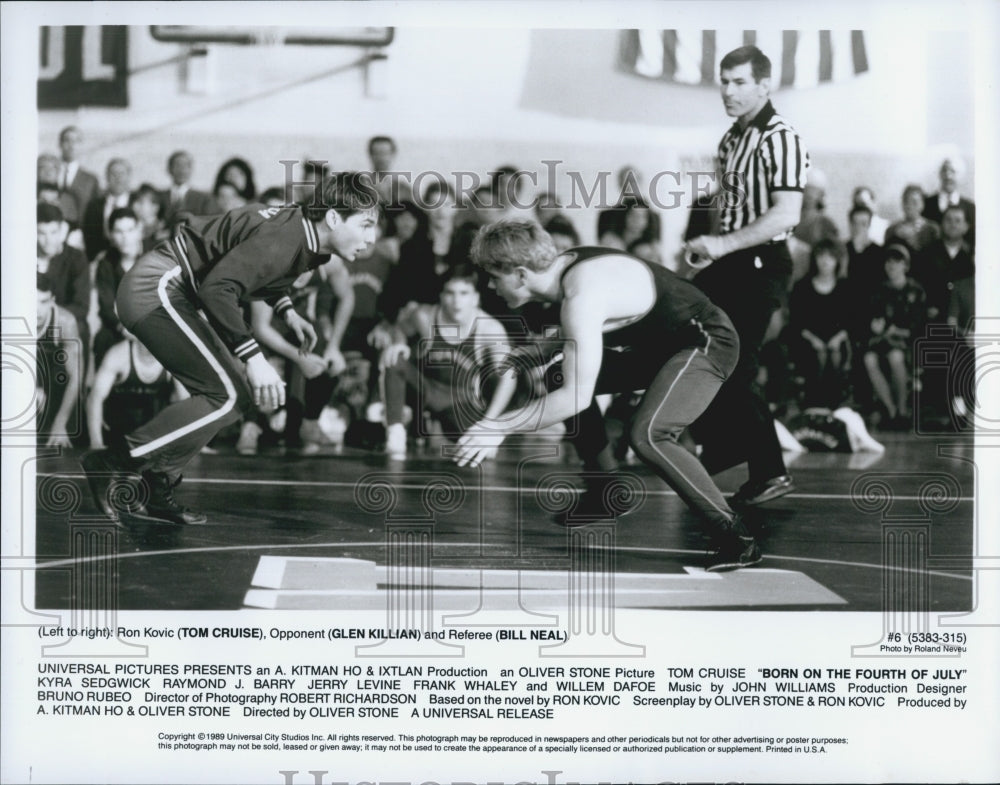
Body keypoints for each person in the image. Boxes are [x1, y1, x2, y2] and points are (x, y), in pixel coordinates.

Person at [80, 173, 380, 526]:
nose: (371, 238)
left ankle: (159, 481)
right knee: (224, 395)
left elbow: (255, 269)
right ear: (333, 218)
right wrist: (254, 358)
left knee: (234, 397)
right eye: (366, 225)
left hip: (171, 289)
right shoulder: (288, 237)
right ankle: (111, 462)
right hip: (156, 288)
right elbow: (218, 288)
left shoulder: (303, 233)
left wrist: (287, 310)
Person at [459, 220, 760, 571]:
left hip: (706, 342)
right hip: (657, 345)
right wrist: (547, 346)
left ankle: (736, 536)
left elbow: (576, 398)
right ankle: (605, 489)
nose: (490, 287)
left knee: (648, 433)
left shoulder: (581, 295)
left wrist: (498, 427)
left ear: (522, 274)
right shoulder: (567, 268)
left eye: (494, 277)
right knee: (560, 373)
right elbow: (606, 317)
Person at [685, 45, 809, 507]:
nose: (728, 91)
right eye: (724, 81)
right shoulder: (730, 140)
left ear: (764, 85)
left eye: (738, 82)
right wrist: (709, 252)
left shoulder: (782, 137)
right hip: (732, 260)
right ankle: (723, 444)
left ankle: (769, 470)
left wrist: (723, 245)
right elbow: (729, 210)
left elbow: (785, 214)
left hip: (763, 264)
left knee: (737, 361)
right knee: (687, 331)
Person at [379, 264, 517, 458]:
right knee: (393, 358)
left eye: (464, 293)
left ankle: (424, 425)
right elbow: (399, 329)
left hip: (459, 401)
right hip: (424, 390)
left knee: (485, 453)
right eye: (450, 293)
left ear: (476, 297)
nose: (457, 301)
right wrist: (400, 344)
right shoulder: (424, 316)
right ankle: (396, 431)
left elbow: (508, 378)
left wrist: (489, 423)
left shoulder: (489, 329)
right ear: (442, 296)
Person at [87, 330, 185, 451]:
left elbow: (187, 402)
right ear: (137, 336)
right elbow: (95, 398)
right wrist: (96, 442)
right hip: (117, 427)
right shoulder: (119, 354)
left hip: (154, 429)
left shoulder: (173, 357)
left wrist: (194, 444)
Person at [862, 244, 926, 429]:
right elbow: (873, 320)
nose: (891, 266)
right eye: (888, 261)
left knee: (895, 357)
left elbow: (918, 325)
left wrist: (896, 331)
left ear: (905, 265)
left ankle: (902, 410)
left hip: (907, 342)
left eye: (897, 262)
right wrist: (876, 327)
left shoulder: (916, 290)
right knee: (869, 359)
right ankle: (890, 410)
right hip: (884, 340)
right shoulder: (879, 290)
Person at [788, 239, 852, 408]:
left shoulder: (845, 288)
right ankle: (813, 404)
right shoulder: (802, 287)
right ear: (814, 259)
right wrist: (813, 340)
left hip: (838, 340)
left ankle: (834, 405)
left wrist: (838, 338)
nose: (825, 261)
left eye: (830, 257)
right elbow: (796, 323)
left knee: (835, 354)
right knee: (818, 355)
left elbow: (852, 321)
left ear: (837, 261)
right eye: (821, 256)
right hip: (808, 340)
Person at [92, 207, 144, 369]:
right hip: (120, 326)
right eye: (119, 232)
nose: (125, 238)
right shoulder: (106, 263)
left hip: (151, 324)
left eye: (130, 230)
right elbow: (107, 307)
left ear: (139, 230)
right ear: (111, 235)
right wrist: (123, 328)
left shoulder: (155, 255)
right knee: (103, 338)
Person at [36, 273, 83, 448]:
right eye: (31, 301)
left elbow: (76, 377)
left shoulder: (64, 321)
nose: (37, 310)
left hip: (54, 390)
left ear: (52, 300)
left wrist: (60, 423)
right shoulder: (10, 316)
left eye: (43, 301)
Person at [81, 157, 133, 260]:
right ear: (106, 177)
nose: (118, 178)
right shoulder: (94, 206)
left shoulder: (136, 203)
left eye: (122, 174)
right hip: (101, 263)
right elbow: (89, 238)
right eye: (113, 174)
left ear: (129, 177)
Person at [922, 156, 975, 248]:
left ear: (959, 176)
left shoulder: (970, 208)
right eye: (944, 171)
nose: (948, 176)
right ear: (939, 174)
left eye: (953, 172)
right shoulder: (926, 204)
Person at [56, 126, 99, 225]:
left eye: (76, 141)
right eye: (67, 140)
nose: (71, 145)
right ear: (60, 144)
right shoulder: (50, 174)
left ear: (81, 145)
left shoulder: (91, 180)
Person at [161, 150, 218, 225]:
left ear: (191, 170)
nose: (182, 170)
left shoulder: (204, 199)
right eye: (177, 165)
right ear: (169, 169)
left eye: (186, 166)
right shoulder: (159, 197)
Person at [885, 184, 940, 255]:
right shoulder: (892, 230)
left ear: (922, 204)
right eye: (906, 201)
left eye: (914, 202)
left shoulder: (932, 229)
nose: (909, 206)